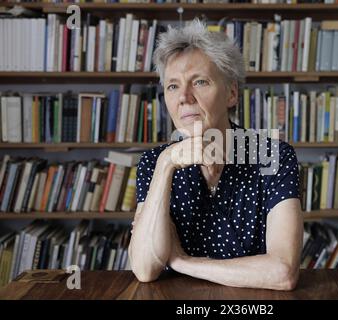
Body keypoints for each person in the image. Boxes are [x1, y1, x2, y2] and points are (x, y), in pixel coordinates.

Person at [128, 18, 303, 291]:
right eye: (173, 86)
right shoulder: (154, 163)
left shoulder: (273, 156)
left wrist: (182, 262)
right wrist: (166, 166)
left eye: (199, 81)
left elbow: (282, 272)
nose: (184, 97)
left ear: (231, 93)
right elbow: (144, 268)